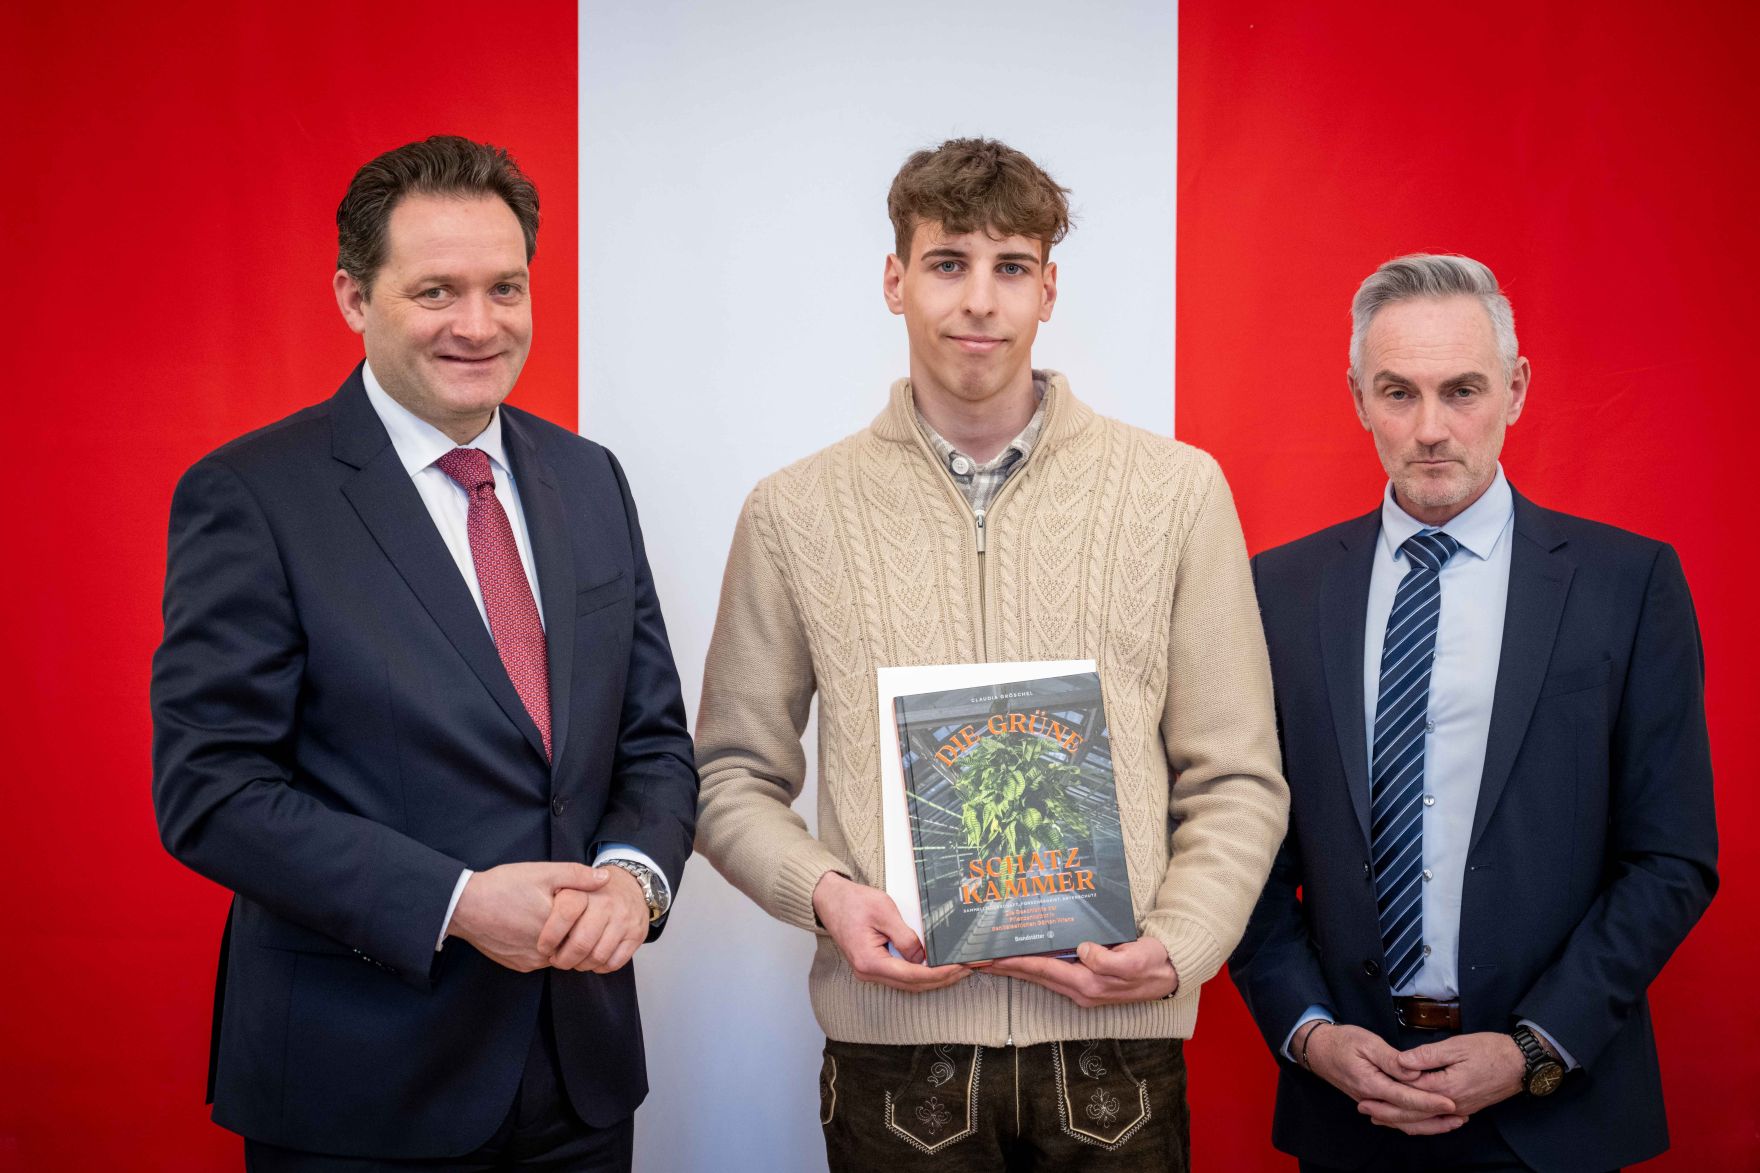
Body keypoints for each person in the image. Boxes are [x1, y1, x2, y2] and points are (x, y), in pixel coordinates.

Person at [692, 137, 1288, 1171]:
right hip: (894, 1065)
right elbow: (728, 775)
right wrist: (828, 897)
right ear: (894, 280)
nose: (979, 300)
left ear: (1047, 290)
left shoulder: (1176, 493)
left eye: (1010, 267)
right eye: (946, 262)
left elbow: (1234, 773)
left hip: (1115, 1061)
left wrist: (1178, 944)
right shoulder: (792, 512)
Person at [150, 135, 698, 1170]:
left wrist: (633, 880)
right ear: (355, 298)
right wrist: (454, 903)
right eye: (437, 290)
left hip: (579, 1078)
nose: (478, 326)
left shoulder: (588, 479)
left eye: (504, 287)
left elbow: (653, 740)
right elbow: (212, 790)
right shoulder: (254, 496)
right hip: (360, 1082)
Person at [1229, 253, 1718, 1172]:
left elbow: (1671, 857)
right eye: (1398, 393)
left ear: (1516, 387)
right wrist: (1310, 1032)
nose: (1431, 430)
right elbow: (1242, 844)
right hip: (1349, 1109)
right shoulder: (1279, 591)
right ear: (1356, 398)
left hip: (1553, 1115)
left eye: (1462, 390)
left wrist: (1532, 1048)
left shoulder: (1629, 583)